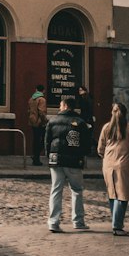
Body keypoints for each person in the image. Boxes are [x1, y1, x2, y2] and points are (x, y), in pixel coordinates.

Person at [44, 93, 91, 232]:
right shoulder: (80, 122)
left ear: (64, 106)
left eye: (60, 105)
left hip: (56, 158)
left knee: (56, 189)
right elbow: (86, 143)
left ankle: (53, 222)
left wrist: (49, 155)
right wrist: (82, 155)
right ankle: (78, 221)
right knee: (76, 190)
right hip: (73, 159)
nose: (59, 107)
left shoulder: (53, 121)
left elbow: (47, 140)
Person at [97, 101, 129, 235]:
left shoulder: (106, 128)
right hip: (124, 164)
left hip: (108, 165)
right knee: (122, 196)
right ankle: (117, 226)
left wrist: (105, 158)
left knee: (113, 194)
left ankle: (116, 222)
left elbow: (100, 148)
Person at [28, 84, 47, 165]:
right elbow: (41, 112)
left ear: (36, 89)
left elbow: (29, 110)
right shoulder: (42, 99)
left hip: (32, 121)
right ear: (43, 90)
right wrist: (45, 121)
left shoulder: (31, 99)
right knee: (42, 140)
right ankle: (36, 156)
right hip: (39, 122)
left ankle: (35, 156)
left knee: (35, 140)